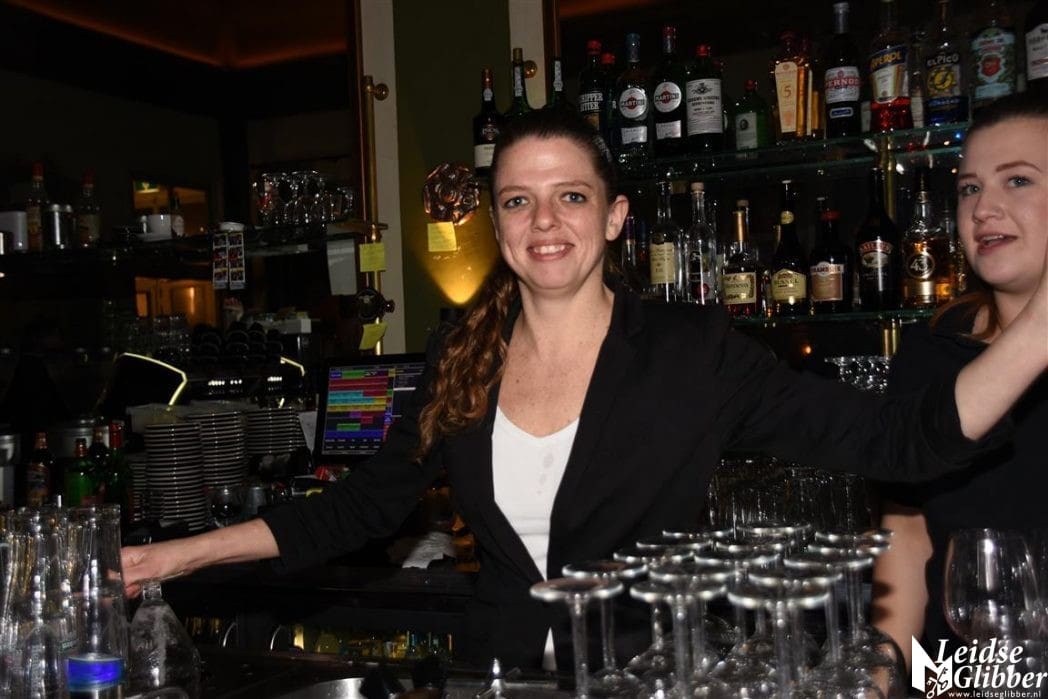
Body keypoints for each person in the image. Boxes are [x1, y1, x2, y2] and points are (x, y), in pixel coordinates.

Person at [122, 108, 1048, 671]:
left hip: (644, 676)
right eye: (518, 200)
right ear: (498, 226)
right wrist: (179, 557)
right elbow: (362, 507)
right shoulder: (462, 353)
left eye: (571, 196)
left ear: (613, 217)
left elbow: (901, 441)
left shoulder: (692, 352)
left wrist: (1039, 332)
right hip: (499, 674)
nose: (545, 221)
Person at [872, 93, 1048, 670]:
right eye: (970, 188)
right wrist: (885, 673)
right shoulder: (930, 350)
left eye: (1017, 181)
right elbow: (907, 534)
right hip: (957, 672)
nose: (983, 209)